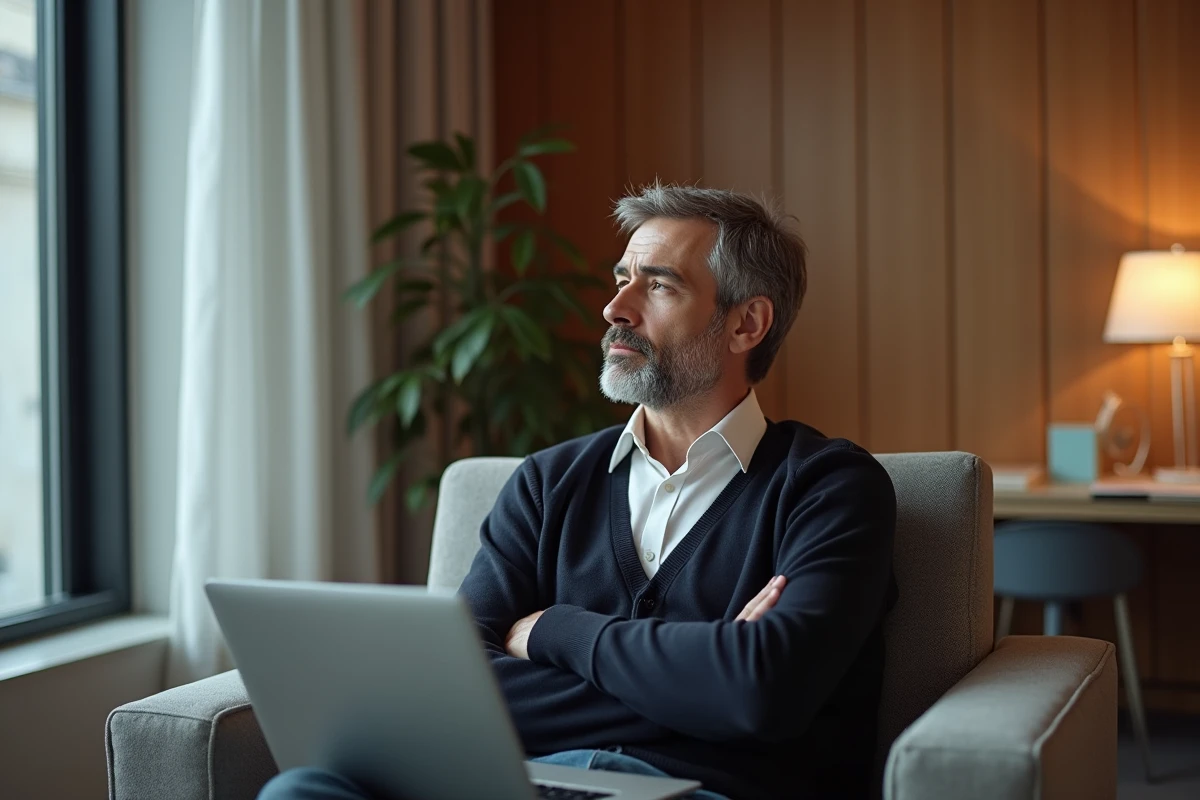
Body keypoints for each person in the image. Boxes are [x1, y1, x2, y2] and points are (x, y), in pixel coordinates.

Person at [261, 184, 897, 800]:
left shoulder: (828, 488)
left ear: (746, 324)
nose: (616, 309)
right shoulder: (546, 482)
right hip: (518, 785)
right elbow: (459, 691)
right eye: (621, 279)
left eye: (659, 285)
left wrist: (554, 633)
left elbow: (763, 692)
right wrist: (706, 684)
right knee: (302, 789)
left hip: (702, 793)